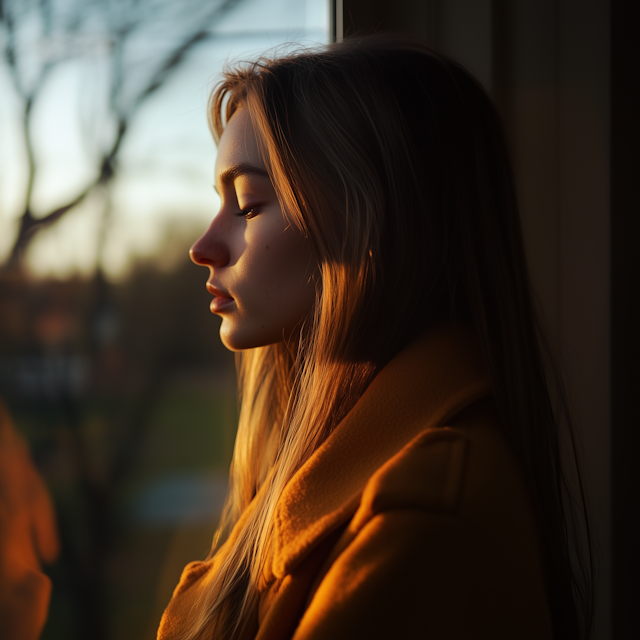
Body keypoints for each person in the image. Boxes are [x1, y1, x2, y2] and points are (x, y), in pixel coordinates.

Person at [158, 35, 593, 640]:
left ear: (376, 221)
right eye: (220, 203)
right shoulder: (330, 467)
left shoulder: (424, 522)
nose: (203, 246)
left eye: (250, 204)